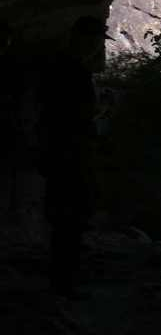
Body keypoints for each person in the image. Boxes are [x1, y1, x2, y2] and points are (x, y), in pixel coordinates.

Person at [39, 15, 109, 296]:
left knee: (65, 216)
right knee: (72, 215)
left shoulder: (60, 68)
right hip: (71, 152)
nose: (97, 47)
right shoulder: (74, 72)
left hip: (60, 150)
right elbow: (76, 115)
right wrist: (101, 114)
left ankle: (62, 278)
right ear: (84, 40)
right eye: (95, 40)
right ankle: (63, 282)